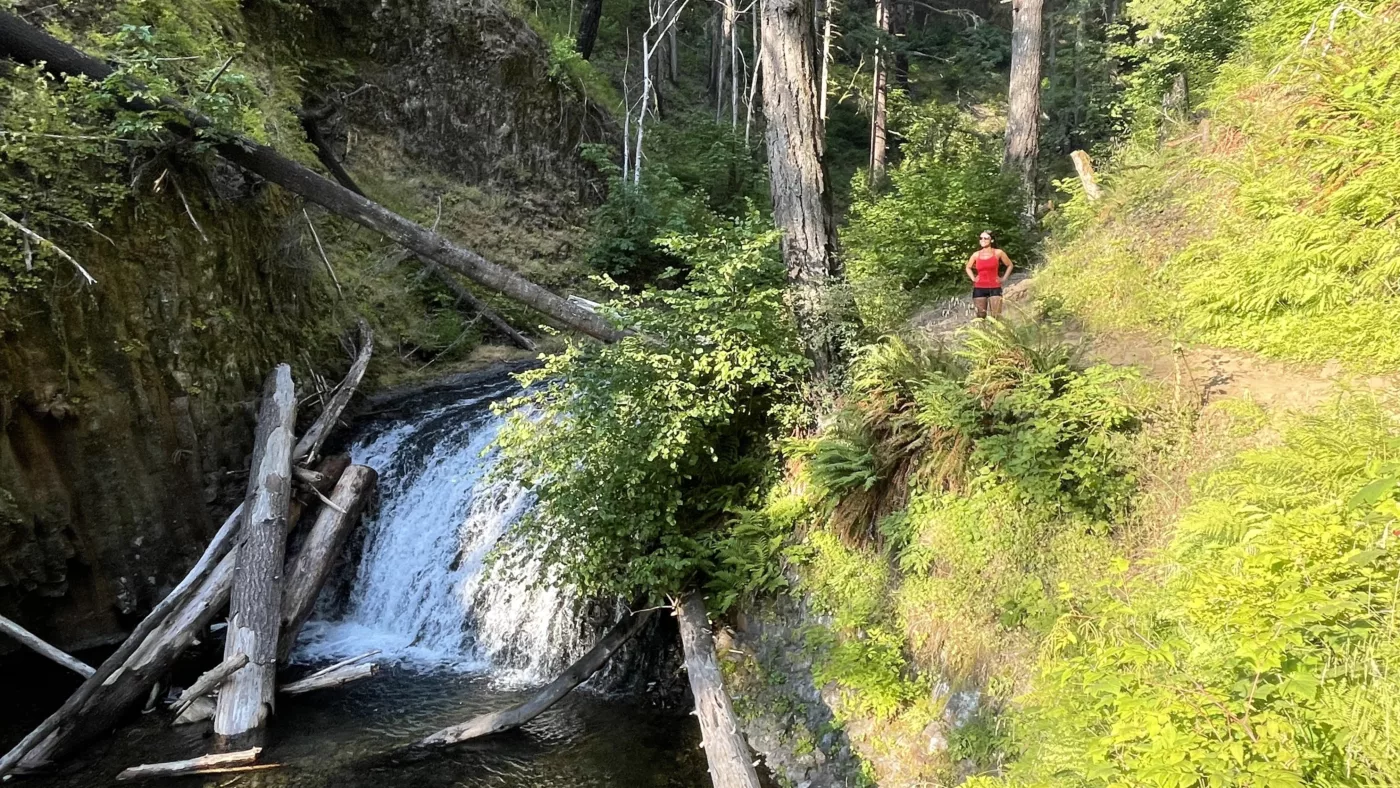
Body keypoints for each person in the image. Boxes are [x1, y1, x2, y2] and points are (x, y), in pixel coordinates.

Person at [965, 231, 1014, 319]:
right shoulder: (976, 254)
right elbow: (968, 267)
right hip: (979, 288)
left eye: (985, 238)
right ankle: (983, 331)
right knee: (980, 316)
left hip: (995, 287)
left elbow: (1010, 265)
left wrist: (1003, 279)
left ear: (991, 240)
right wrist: (973, 278)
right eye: (981, 238)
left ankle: (996, 332)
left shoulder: (998, 252)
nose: (982, 240)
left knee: (996, 317)